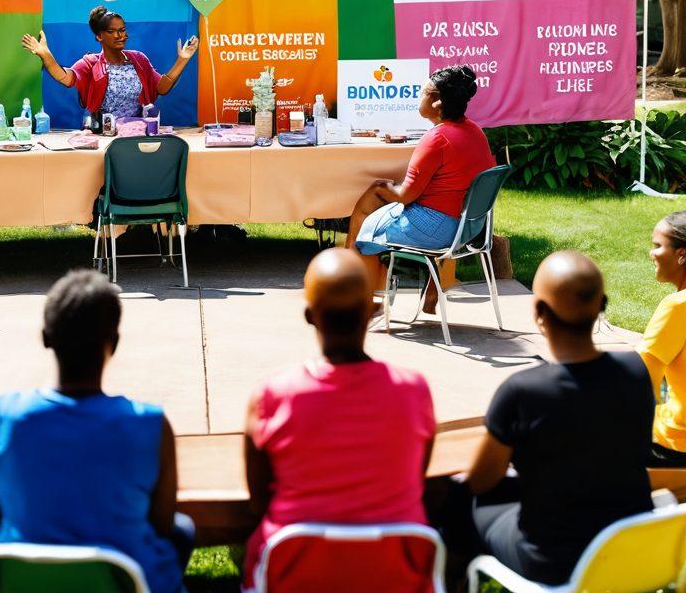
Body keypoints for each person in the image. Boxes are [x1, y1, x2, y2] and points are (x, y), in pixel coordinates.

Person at [451, 252, 653, 585]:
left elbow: (482, 480)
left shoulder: (523, 391)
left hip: (554, 559)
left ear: (540, 312)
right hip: (630, 545)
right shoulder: (635, 370)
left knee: (461, 505)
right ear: (600, 304)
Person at [0, 270, 194, 593]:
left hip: (24, 581)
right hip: (125, 580)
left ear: (45, 337)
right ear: (114, 342)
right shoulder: (150, 423)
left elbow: (2, 502)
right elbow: (162, 523)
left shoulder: (6, 414)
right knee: (183, 531)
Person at [243, 247, 435, 591]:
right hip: (394, 574)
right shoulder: (414, 390)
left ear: (310, 316)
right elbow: (416, 479)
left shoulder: (272, 395)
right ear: (371, 312)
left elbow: (259, 500)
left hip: (295, 572)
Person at [347, 64, 495, 312]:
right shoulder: (475, 131)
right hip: (469, 227)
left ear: (437, 102)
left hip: (439, 228)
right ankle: (428, 289)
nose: (419, 96)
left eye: (423, 92)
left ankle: (359, 297)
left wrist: (383, 188)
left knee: (364, 228)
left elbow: (406, 196)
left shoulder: (436, 139)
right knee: (375, 201)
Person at [21, 6, 198, 120]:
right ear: (99, 36)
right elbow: (65, 78)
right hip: (100, 133)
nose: (119, 35)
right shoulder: (90, 63)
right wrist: (46, 55)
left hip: (134, 131)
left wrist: (182, 60)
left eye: (122, 30)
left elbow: (162, 88)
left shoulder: (139, 59)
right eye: (112, 31)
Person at [638, 211, 686, 466]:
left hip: (676, 450)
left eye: (658, 246)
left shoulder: (678, 306)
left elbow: (638, 383)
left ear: (682, 255)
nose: (652, 253)